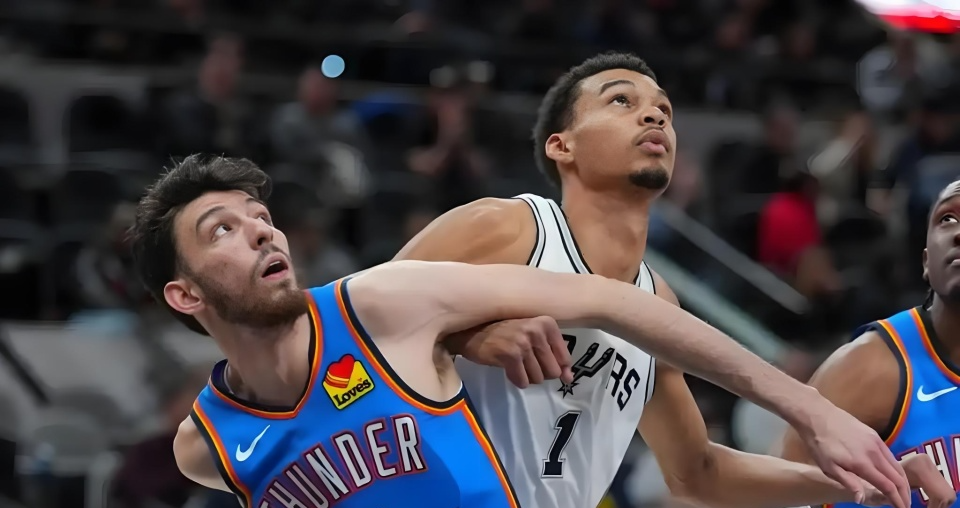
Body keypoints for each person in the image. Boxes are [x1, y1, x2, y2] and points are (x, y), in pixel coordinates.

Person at [131, 156, 908, 508]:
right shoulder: (206, 448)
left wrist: (812, 411)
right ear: (183, 293)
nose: (262, 232)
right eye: (222, 229)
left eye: (261, 218)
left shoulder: (379, 305)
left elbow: (615, 303)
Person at [393, 51, 928, 508]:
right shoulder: (508, 227)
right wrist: (468, 336)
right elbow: (353, 321)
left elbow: (697, 472)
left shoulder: (658, 303)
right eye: (620, 101)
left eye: (664, 111)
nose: (653, 115)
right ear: (562, 146)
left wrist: (865, 484)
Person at [779, 179, 960, 508]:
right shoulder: (871, 366)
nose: (958, 233)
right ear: (925, 262)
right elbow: (772, 492)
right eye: (947, 219)